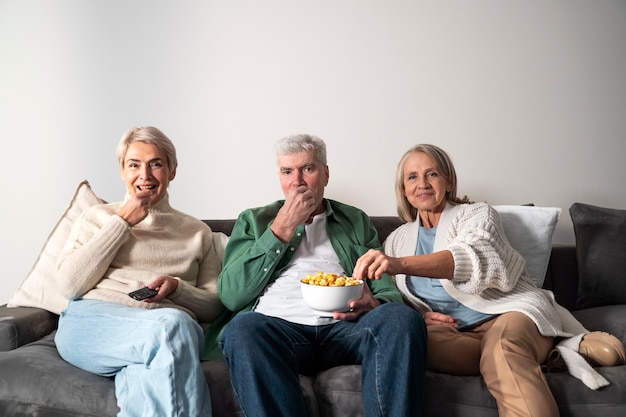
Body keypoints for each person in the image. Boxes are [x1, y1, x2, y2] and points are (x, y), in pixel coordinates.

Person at [353, 144, 626, 417]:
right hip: (453, 332)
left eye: (432, 174)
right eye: (412, 177)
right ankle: (545, 352)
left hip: (507, 314)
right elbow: (398, 300)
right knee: (414, 344)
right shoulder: (396, 240)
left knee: (503, 351)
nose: (422, 183)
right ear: (403, 188)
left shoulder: (477, 214)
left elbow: (471, 257)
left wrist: (398, 265)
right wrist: (418, 316)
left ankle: (526, 350)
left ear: (448, 181)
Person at [214, 134, 427, 417]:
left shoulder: (354, 219)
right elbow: (231, 295)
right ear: (279, 176)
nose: (297, 181)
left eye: (308, 169)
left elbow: (385, 286)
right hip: (279, 329)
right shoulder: (254, 220)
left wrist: (373, 304)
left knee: (401, 319)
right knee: (242, 330)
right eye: (287, 171)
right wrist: (281, 228)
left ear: (325, 173)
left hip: (346, 329)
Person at [54, 126, 224, 417]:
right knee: (173, 327)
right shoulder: (98, 217)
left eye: (156, 164)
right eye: (134, 165)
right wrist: (121, 222)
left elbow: (213, 306)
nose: (144, 175)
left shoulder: (198, 232)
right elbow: (70, 285)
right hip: (94, 322)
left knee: (150, 379)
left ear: (171, 171)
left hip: (164, 331)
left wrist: (178, 289)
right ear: (122, 170)